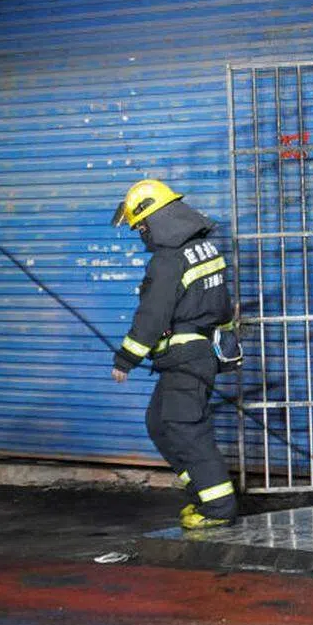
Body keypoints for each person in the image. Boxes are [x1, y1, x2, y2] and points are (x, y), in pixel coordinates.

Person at [111, 179, 237, 529]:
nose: (142, 235)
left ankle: (218, 506)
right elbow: (223, 306)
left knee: (185, 427)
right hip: (195, 355)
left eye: (142, 227)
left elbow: (153, 316)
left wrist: (126, 360)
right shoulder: (205, 249)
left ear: (157, 222)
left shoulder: (168, 261)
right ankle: (203, 488)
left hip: (186, 357)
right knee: (159, 423)